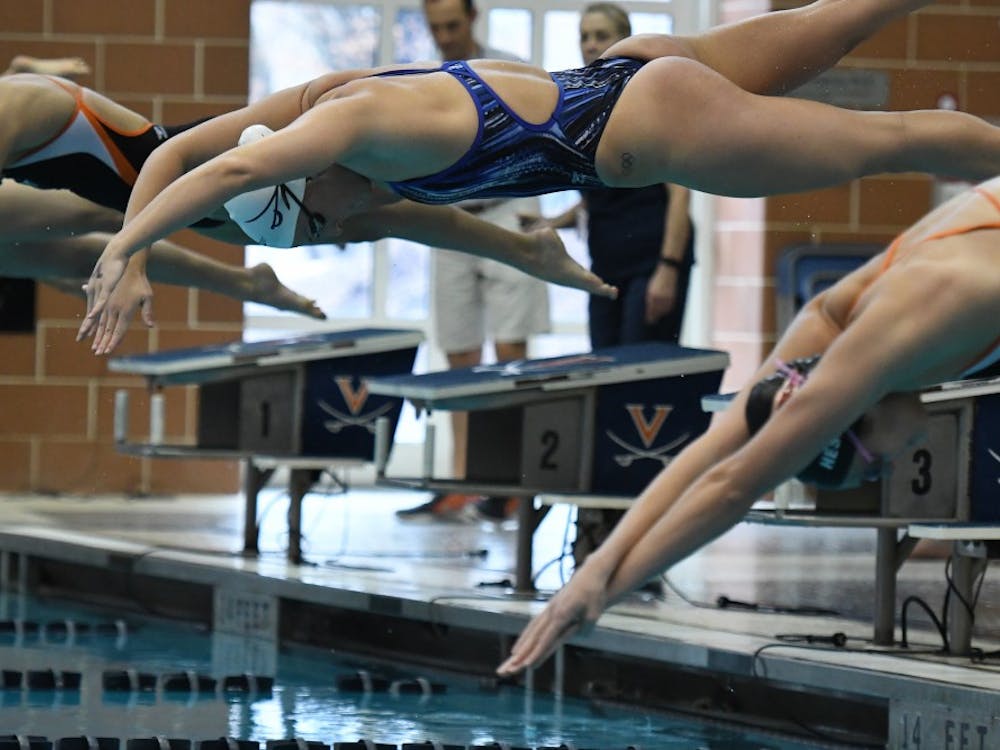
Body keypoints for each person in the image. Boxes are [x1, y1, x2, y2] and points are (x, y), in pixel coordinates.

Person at [81, 0, 1000, 355]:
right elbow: (179, 147)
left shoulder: (346, 124)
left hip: (644, 127)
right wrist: (547, 266)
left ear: (301, 183)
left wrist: (129, 245)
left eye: (316, 224)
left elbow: (233, 163)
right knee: (844, 19)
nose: (344, 223)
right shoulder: (318, 110)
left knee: (889, 141)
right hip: (632, 72)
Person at [496, 174, 1000, 676]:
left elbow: (732, 483)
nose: (892, 468)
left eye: (874, 468)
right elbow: (715, 450)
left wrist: (604, 589)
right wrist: (597, 574)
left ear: (847, 417)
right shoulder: (836, 325)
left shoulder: (881, 342)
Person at [0, 73, 606, 320]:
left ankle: (528, 251)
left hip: (178, 173)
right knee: (51, 253)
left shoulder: (20, 105)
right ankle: (527, 251)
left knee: (372, 210)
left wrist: (133, 261)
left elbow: (166, 159)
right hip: (171, 191)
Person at [524, 1, 696, 558]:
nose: (591, 45)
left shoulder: (652, 100)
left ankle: (643, 523)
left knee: (642, 387)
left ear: (626, 39)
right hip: (606, 265)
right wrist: (552, 222)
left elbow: (679, 192)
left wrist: (669, 268)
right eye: (583, 36)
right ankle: (602, 516)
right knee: (604, 383)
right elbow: (598, 197)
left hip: (652, 261)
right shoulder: (584, 104)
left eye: (601, 36)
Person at [395, 0, 550, 523]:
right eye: (435, 28)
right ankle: (461, 480)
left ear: (473, 18)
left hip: (507, 208)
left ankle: (507, 481)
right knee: (458, 348)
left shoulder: (508, 70)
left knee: (510, 351)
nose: (444, 37)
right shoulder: (418, 81)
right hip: (449, 212)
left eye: (452, 26)